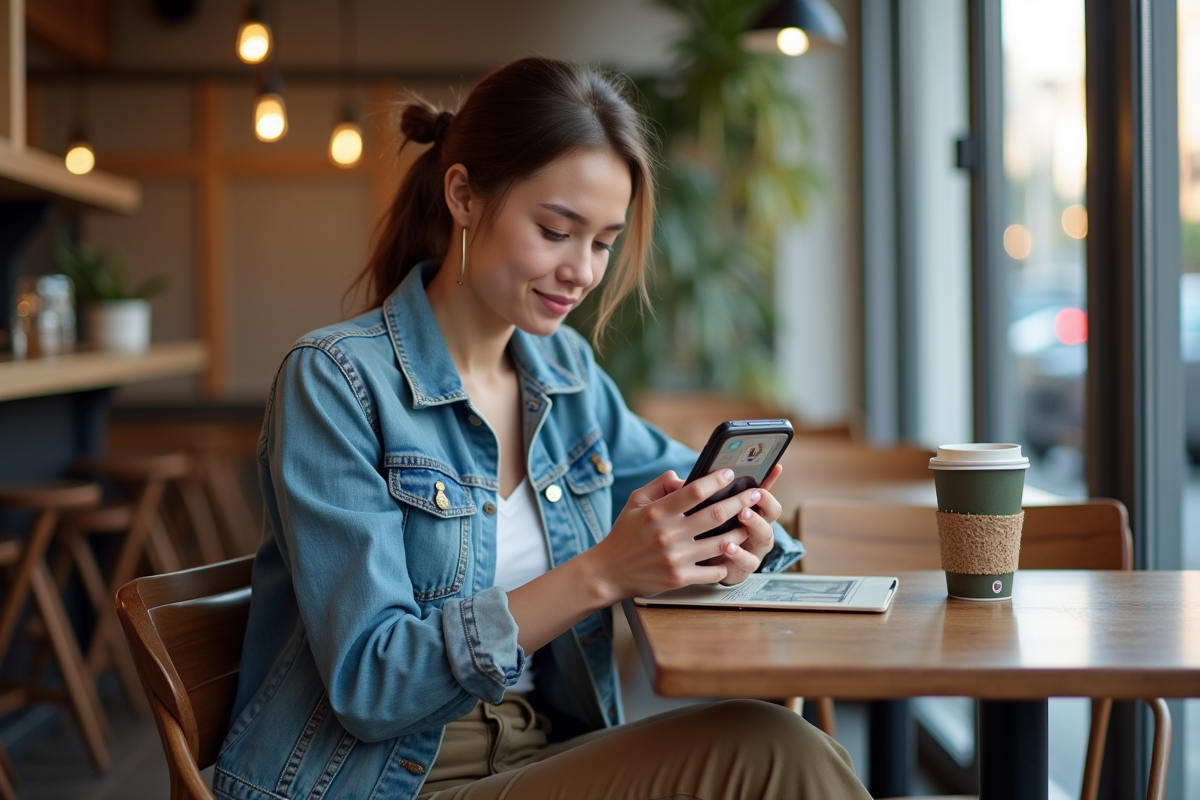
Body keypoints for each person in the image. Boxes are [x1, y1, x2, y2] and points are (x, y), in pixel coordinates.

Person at [214, 57, 871, 800]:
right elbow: (371, 682)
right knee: (778, 751)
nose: (582, 271)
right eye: (556, 231)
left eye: (603, 241)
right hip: (378, 782)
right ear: (464, 196)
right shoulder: (336, 382)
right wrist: (603, 573)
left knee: (781, 743)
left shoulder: (565, 376)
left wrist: (736, 543)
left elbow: (695, 494)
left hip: (541, 753)